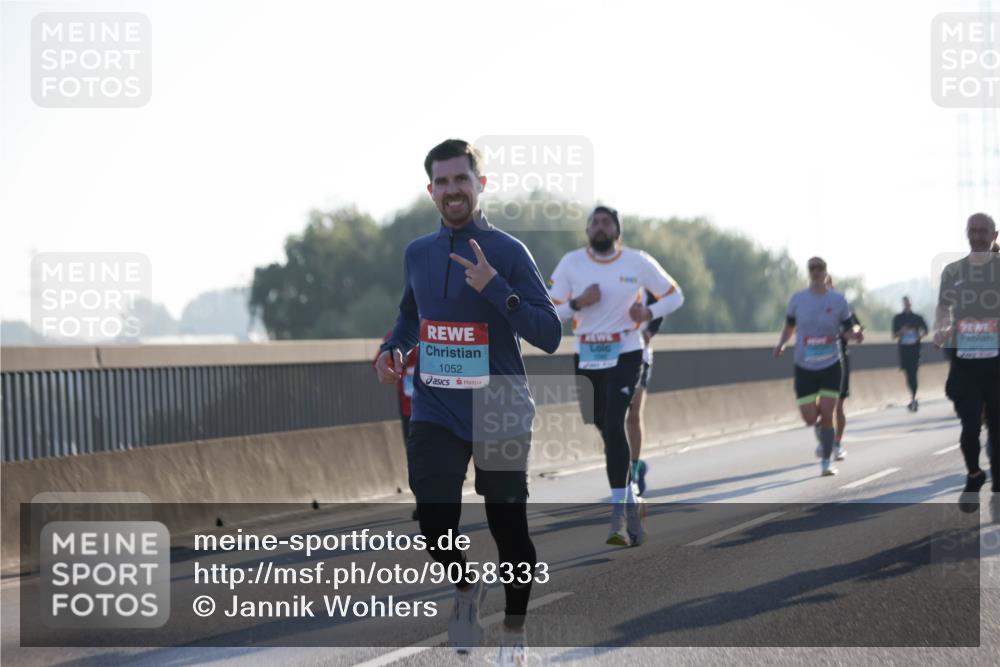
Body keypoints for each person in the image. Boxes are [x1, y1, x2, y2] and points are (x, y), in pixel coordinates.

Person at [374, 139, 562, 659]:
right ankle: (465, 586)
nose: (452, 190)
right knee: (435, 522)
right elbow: (409, 317)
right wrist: (393, 350)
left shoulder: (509, 252)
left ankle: (515, 634)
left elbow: (549, 333)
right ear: (430, 190)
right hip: (436, 405)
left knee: (508, 528)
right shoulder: (417, 253)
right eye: (443, 182)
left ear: (481, 184)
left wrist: (496, 287)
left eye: (462, 179)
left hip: (500, 404)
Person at [548, 206, 684, 546]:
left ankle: (618, 514)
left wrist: (648, 311)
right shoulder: (571, 263)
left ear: (617, 231)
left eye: (606, 222)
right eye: (594, 222)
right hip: (587, 355)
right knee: (604, 427)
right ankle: (632, 498)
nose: (599, 226)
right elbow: (549, 308)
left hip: (626, 351)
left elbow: (675, 295)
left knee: (614, 424)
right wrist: (577, 303)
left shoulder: (637, 261)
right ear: (587, 231)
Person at [935, 212, 1000, 507]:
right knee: (970, 427)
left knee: (997, 431)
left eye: (983, 231)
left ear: (994, 236)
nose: (977, 236)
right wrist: (942, 328)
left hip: (996, 366)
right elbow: (943, 308)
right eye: (972, 230)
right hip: (965, 365)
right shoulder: (952, 272)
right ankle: (974, 474)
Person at [775, 257, 862, 476]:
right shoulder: (798, 299)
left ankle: (826, 461)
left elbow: (849, 327)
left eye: (819, 268)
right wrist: (782, 343)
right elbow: (789, 326)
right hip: (804, 365)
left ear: (825, 272)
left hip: (831, 364)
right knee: (810, 418)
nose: (815, 271)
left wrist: (855, 334)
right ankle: (823, 431)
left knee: (828, 412)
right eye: (812, 268)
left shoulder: (838, 300)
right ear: (809, 272)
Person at [374, 331, 419, 520]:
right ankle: (422, 502)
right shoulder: (395, 335)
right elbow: (379, 363)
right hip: (409, 409)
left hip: (437, 408)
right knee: (414, 456)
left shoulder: (437, 328)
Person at [625, 290, 664, 497]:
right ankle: (624, 465)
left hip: (640, 355)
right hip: (610, 355)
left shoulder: (645, 280)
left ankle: (634, 468)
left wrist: (650, 331)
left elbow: (664, 303)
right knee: (611, 417)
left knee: (633, 414)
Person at [824, 275, 864, 459]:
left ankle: (837, 443)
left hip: (840, 359)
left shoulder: (841, 306)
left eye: (829, 286)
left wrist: (856, 333)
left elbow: (855, 327)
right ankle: (825, 439)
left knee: (838, 405)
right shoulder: (813, 308)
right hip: (818, 360)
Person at [891, 297, 929, 412]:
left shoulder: (917, 317)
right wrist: (901, 332)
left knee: (914, 372)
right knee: (908, 374)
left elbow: (926, 331)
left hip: (915, 349)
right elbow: (894, 335)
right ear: (903, 304)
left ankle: (913, 397)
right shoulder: (898, 318)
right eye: (905, 303)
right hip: (904, 350)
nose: (907, 305)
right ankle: (913, 396)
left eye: (908, 303)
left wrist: (919, 335)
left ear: (911, 303)